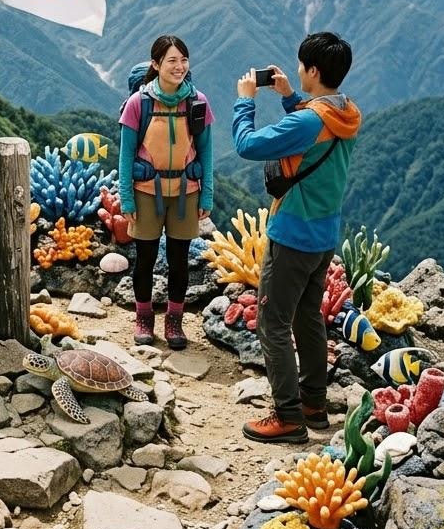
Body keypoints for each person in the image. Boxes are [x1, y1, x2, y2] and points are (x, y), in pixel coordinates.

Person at [232, 32, 361, 443]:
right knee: (308, 317)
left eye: (303, 66)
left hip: (292, 234)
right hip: (324, 236)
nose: (299, 70)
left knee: (272, 322)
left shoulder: (308, 121)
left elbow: (247, 145)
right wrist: (290, 97)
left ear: (315, 71)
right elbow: (311, 131)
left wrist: (245, 100)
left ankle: (287, 417)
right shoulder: (346, 112)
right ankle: (313, 404)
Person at [118, 35, 214, 349]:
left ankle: (174, 320)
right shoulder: (139, 104)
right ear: (156, 64)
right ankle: (144, 317)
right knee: (144, 260)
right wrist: (127, 197)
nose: (179, 67)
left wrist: (207, 194)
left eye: (183, 60)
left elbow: (206, 152)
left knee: (179, 261)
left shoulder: (197, 102)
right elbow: (126, 155)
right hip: (146, 191)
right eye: (172, 61)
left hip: (186, 192)